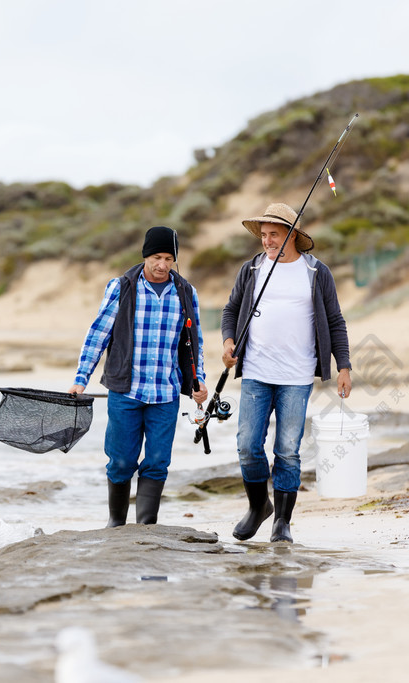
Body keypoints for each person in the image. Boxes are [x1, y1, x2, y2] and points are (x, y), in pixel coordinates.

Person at [221, 202, 352, 543]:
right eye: (263, 235)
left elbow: (335, 321)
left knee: (287, 450)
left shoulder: (316, 272)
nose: (267, 241)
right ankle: (257, 507)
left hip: (296, 376)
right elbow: (231, 308)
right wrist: (228, 341)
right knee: (248, 446)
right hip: (255, 371)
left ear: (292, 235)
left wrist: (344, 366)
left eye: (274, 234)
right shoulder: (251, 270)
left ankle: (282, 522)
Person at [69, 225, 208, 527]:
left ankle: (146, 527)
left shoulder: (186, 292)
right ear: (145, 255)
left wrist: (199, 380)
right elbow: (98, 335)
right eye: (156, 257)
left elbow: (193, 342)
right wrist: (81, 378)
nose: (162, 265)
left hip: (166, 394)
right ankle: (116, 524)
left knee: (157, 463)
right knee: (121, 462)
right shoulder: (122, 287)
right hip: (125, 392)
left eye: (169, 258)